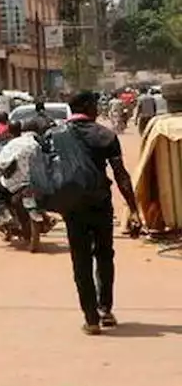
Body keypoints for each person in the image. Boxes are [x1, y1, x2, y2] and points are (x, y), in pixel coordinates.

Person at [60, 91, 142, 335]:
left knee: (80, 259)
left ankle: (91, 318)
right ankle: (105, 309)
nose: (98, 109)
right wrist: (133, 208)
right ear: (87, 106)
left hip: (72, 206)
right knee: (104, 255)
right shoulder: (105, 135)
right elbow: (120, 174)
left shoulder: (57, 136)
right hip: (100, 204)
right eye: (95, 104)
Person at [0, 121, 29, 226]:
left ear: (9, 132)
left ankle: (6, 215)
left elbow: (1, 162)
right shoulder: (31, 141)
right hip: (34, 178)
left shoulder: (9, 144)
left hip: (17, 180)